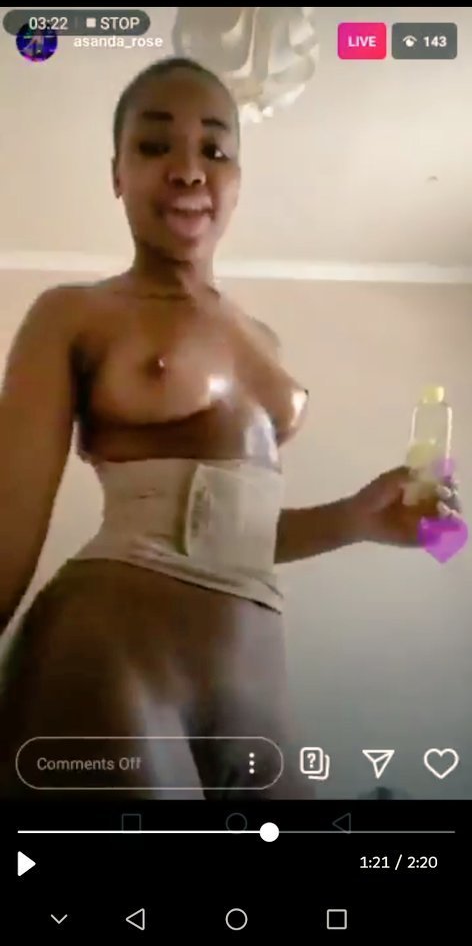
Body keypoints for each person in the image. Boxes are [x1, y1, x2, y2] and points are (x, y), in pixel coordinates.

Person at [0, 56, 460, 800]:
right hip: (113, 663)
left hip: (255, 697)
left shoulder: (263, 340)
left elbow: (224, 531)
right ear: (116, 173)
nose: (189, 169)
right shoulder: (74, 313)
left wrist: (357, 519)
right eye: (155, 145)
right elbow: (7, 523)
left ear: (238, 180)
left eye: (214, 149)